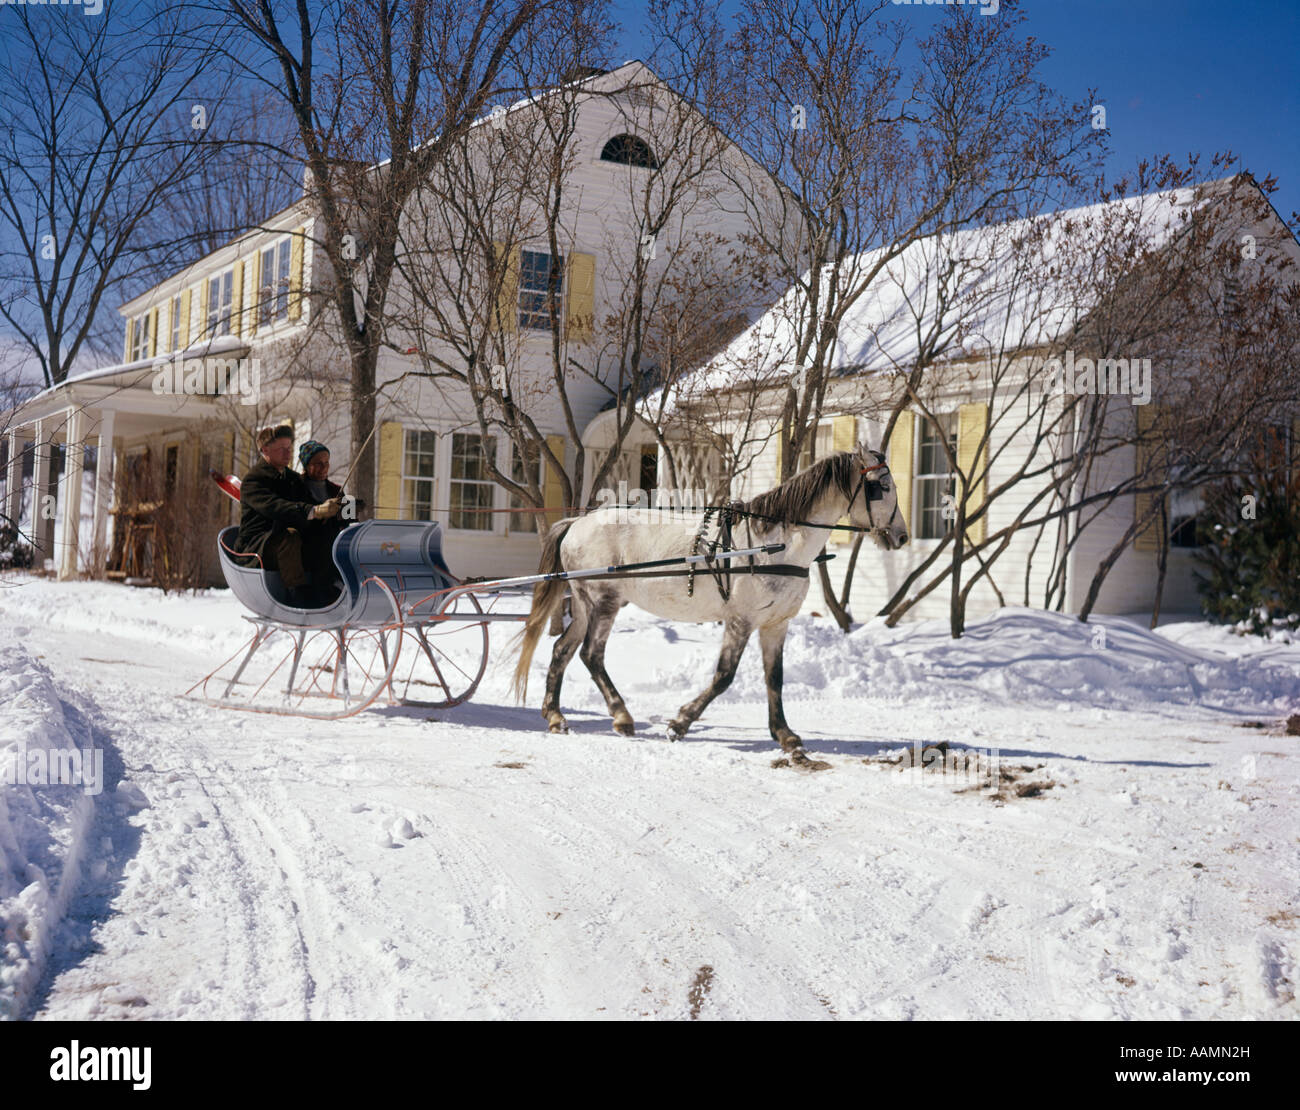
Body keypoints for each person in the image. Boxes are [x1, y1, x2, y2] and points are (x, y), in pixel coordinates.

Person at [235, 425, 342, 607]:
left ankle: (328, 583)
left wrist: (343, 506)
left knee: (322, 531)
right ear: (265, 450)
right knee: (290, 537)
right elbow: (277, 507)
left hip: (285, 538)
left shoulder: (292, 478)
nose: (287, 454)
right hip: (258, 545)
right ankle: (297, 593)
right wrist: (315, 511)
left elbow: (310, 498)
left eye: (290, 448)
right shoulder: (254, 481)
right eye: (281, 449)